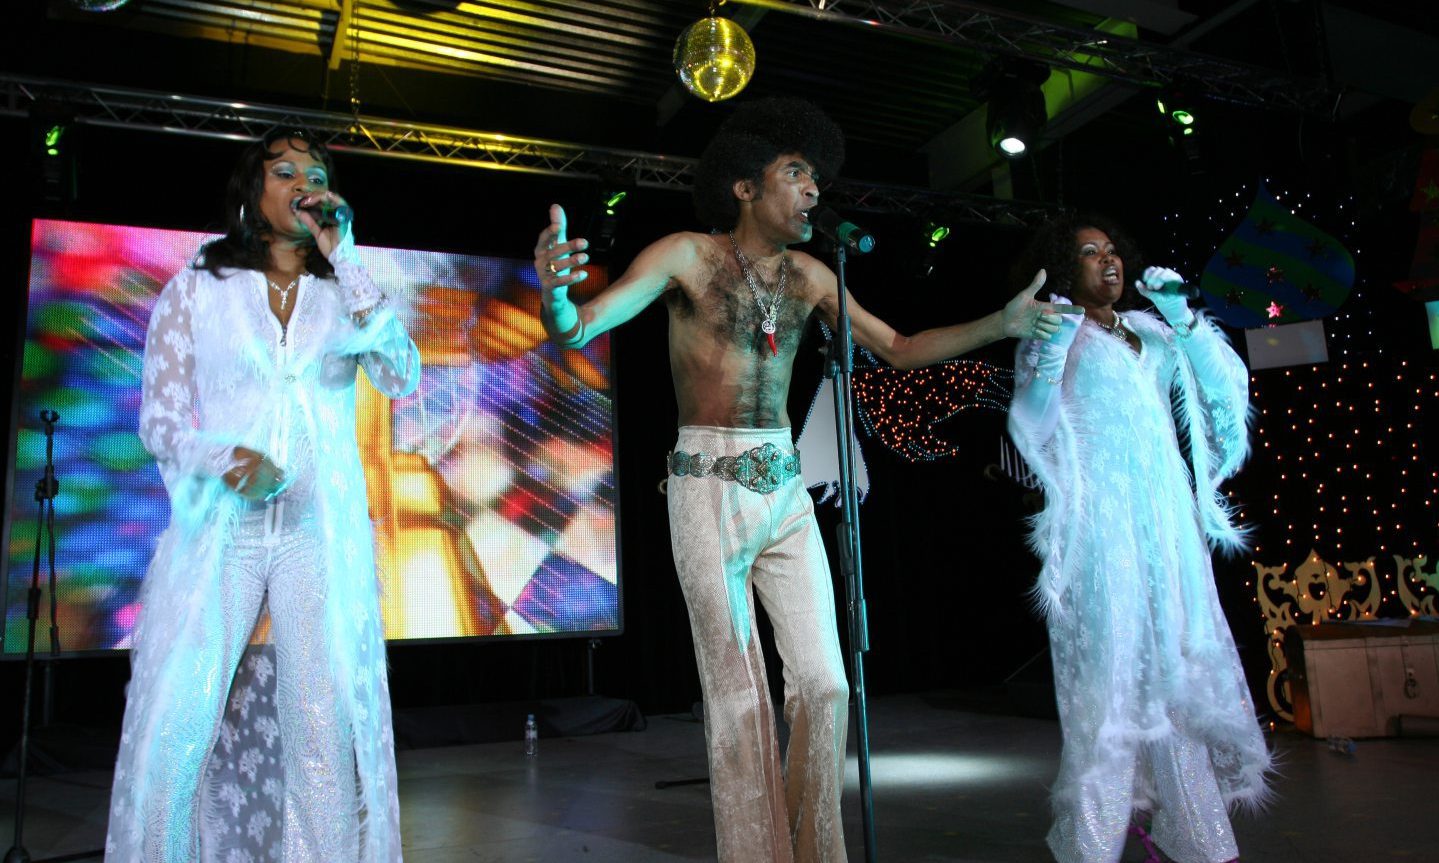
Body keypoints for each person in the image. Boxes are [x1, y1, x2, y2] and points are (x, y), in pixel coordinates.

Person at [533, 97, 1079, 863]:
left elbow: (897, 344)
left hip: (783, 489)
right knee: (736, 697)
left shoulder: (812, 275)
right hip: (705, 484)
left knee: (825, 684)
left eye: (816, 176)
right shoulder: (685, 255)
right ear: (744, 187)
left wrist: (1002, 323)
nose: (814, 189)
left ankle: (816, 851)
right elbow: (584, 324)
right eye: (796, 173)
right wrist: (557, 296)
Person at [104, 129, 420, 862]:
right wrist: (225, 456)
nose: (304, 184)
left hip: (315, 529)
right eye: (285, 171)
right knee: (178, 721)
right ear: (253, 189)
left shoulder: (345, 292)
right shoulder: (198, 286)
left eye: (316, 174)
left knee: (318, 724)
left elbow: (401, 375)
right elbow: (157, 420)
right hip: (224, 526)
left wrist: (346, 256)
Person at [1006, 215, 1272, 863]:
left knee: (1175, 669)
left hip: (1165, 524)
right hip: (1099, 527)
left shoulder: (1149, 331)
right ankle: (1091, 841)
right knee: (1109, 674)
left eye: (1112, 249)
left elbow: (1225, 389)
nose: (1108, 260)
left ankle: (1197, 836)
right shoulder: (1055, 331)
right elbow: (1028, 425)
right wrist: (1045, 358)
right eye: (1089, 252)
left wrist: (1182, 317)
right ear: (1065, 269)